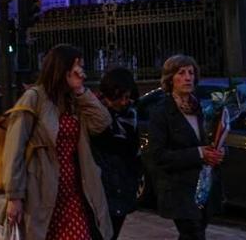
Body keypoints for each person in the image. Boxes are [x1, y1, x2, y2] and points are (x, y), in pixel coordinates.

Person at [1, 44, 114, 240]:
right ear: (63, 67)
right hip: (41, 192)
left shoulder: (74, 101)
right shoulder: (34, 98)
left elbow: (102, 122)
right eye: (77, 66)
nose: (81, 71)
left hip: (73, 193)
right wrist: (14, 196)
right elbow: (14, 150)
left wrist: (80, 90)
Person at [148, 55, 224, 240]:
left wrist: (219, 152)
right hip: (179, 188)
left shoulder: (201, 108)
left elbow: (212, 139)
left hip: (204, 185)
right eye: (181, 73)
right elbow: (159, 156)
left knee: (195, 233)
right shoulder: (161, 112)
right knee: (193, 233)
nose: (188, 77)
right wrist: (199, 154)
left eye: (191, 73)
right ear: (170, 79)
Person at [90, 67, 141, 240]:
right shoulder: (97, 115)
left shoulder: (131, 116)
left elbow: (132, 151)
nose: (124, 102)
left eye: (127, 97)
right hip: (102, 186)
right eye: (120, 97)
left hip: (123, 185)